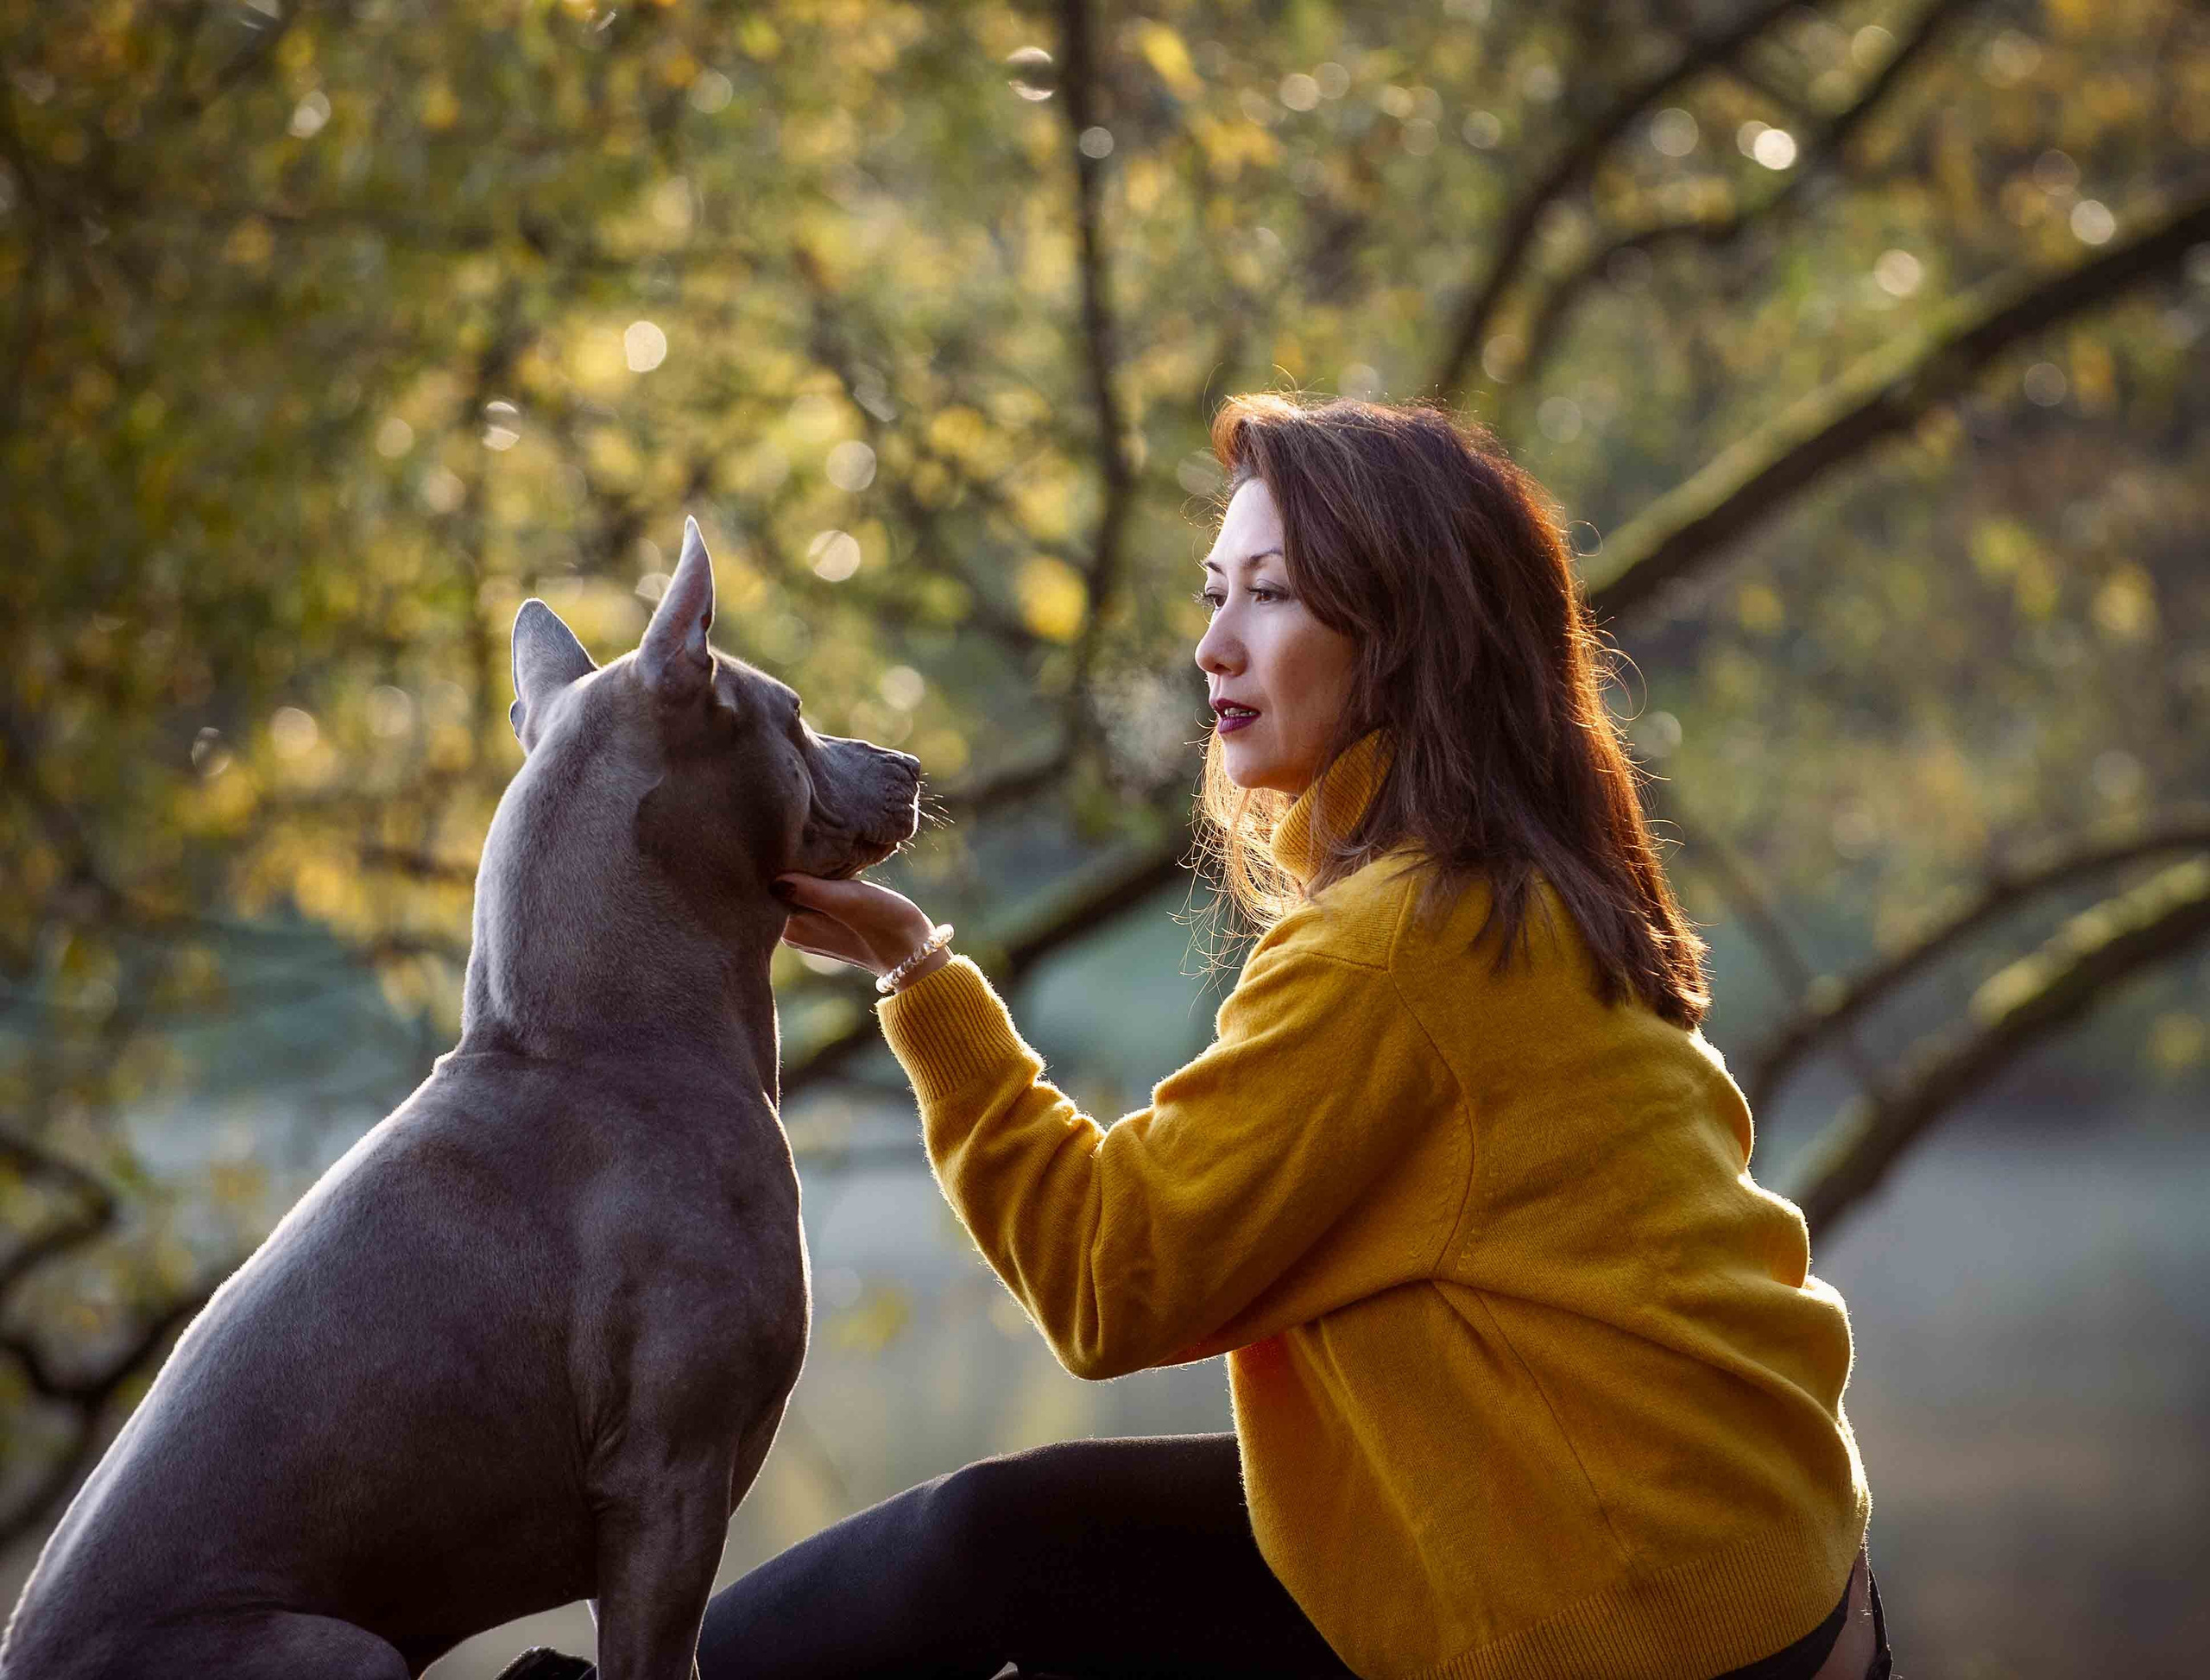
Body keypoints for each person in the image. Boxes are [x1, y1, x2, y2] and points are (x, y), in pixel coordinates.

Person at [696, 395, 1893, 1680]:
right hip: (1738, 1561)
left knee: (995, 1552)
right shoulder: (1527, 887)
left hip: (1629, 1609)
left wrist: (916, 968)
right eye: (1214, 593)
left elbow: (1109, 1275)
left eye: (1269, 595)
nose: (1213, 645)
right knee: (1009, 1540)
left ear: (1402, 637)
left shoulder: (1400, 946)